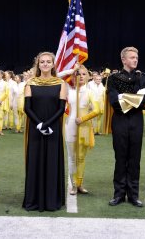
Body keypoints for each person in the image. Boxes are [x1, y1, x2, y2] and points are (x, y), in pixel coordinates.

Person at [22, 51, 67, 212]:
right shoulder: (30, 83)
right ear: (38, 64)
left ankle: (51, 200)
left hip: (53, 129)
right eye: (42, 62)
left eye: (49, 62)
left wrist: (47, 124)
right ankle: (34, 200)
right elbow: (27, 108)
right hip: (36, 129)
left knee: (52, 162)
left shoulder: (61, 83)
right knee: (35, 161)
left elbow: (61, 109)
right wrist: (40, 125)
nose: (46, 64)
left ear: (53, 64)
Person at [107, 47, 145, 207]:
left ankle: (133, 195)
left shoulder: (142, 77)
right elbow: (114, 102)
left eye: (136, 57)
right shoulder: (114, 78)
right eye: (131, 57)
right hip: (120, 121)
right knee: (120, 158)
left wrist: (124, 97)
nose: (135, 59)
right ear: (123, 60)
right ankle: (118, 194)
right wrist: (135, 97)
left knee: (134, 159)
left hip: (137, 122)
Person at [64, 65, 99, 195]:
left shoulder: (90, 92)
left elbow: (98, 110)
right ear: (73, 77)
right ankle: (73, 185)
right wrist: (71, 70)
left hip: (83, 127)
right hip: (69, 126)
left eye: (84, 74)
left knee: (81, 157)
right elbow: (58, 75)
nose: (81, 76)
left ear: (88, 76)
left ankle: (79, 184)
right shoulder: (68, 90)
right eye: (78, 74)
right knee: (72, 157)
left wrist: (84, 118)